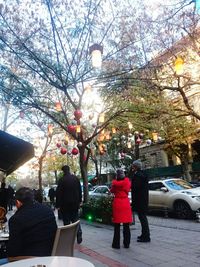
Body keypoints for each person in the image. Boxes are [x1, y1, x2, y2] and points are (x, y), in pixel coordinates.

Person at [0, 187, 57, 265]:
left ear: (18, 202)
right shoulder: (48, 211)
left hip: (27, 260)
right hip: (50, 256)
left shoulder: (16, 219)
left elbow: (13, 253)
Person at [56, 165, 82, 244]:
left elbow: (59, 194)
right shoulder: (75, 178)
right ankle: (79, 233)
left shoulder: (61, 180)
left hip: (65, 204)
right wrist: (80, 201)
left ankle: (68, 238)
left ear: (63, 171)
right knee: (75, 219)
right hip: (75, 204)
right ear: (69, 170)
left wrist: (58, 205)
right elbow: (80, 190)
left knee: (66, 221)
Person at [110, 169, 132, 249]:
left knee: (117, 225)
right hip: (125, 203)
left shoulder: (115, 184)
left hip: (118, 203)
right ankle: (127, 243)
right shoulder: (127, 183)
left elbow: (111, 190)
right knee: (126, 225)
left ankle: (116, 244)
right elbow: (128, 189)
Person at [130, 159, 150, 242]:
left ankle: (146, 237)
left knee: (142, 218)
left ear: (136, 167)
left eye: (133, 166)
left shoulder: (138, 175)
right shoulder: (142, 174)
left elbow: (135, 187)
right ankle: (144, 234)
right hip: (142, 199)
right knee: (142, 218)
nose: (132, 167)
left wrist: (131, 184)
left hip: (140, 200)